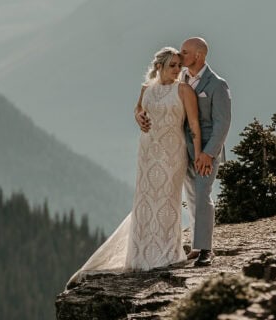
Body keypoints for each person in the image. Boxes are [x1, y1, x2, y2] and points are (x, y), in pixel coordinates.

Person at [67, 47, 202, 287]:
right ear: (159, 66)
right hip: (148, 152)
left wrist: (199, 153)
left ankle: (166, 252)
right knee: (146, 198)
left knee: (168, 199)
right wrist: (138, 117)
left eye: (179, 65)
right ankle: (142, 255)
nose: (177, 69)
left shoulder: (184, 90)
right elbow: (138, 109)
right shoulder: (146, 89)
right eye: (172, 65)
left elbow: (193, 124)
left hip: (172, 152)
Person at [174, 37, 231, 267]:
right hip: (184, 149)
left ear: (199, 55)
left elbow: (223, 123)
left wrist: (208, 153)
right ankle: (197, 246)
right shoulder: (182, 78)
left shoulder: (217, 84)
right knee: (191, 196)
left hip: (206, 151)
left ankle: (207, 249)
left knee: (202, 194)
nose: (180, 56)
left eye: (185, 52)